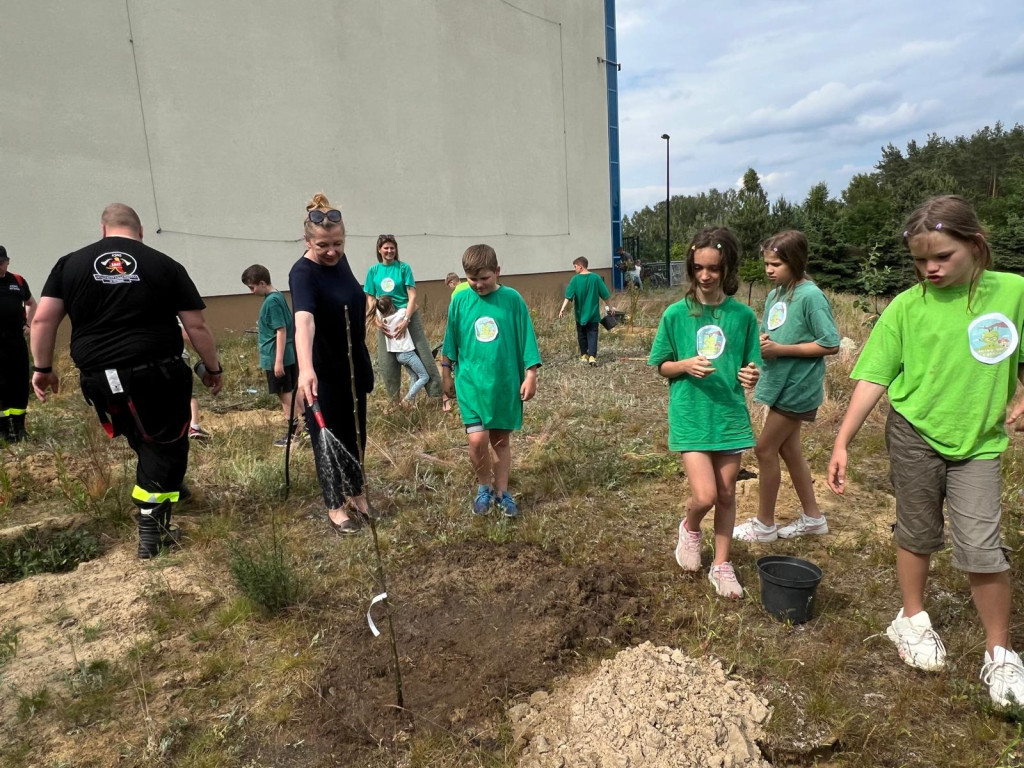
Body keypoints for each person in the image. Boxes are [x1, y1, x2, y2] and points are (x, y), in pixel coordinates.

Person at [828, 195, 1024, 707]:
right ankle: (911, 619)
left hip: (979, 441)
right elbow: (874, 376)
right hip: (914, 433)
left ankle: (1000, 653)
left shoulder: (1014, 293)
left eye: (942, 257)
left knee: (982, 544)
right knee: (917, 530)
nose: (930, 269)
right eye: (920, 260)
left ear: (975, 246)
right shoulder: (905, 307)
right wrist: (843, 439)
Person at [30, 204, 222, 559]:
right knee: (167, 443)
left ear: (103, 229)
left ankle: (166, 487)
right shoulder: (163, 264)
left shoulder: (68, 264)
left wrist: (42, 368)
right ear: (141, 231)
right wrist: (213, 367)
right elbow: (196, 325)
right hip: (156, 374)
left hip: (100, 379)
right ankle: (153, 533)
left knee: (142, 435)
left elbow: (42, 321)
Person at [648, 228, 760, 598]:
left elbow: (751, 364)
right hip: (691, 415)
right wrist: (685, 365)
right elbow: (661, 364)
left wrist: (750, 374)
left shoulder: (742, 316)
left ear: (727, 268)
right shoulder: (676, 314)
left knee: (728, 494)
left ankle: (722, 565)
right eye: (699, 268)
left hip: (729, 416)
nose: (706, 276)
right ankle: (690, 527)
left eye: (714, 268)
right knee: (706, 495)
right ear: (691, 268)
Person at [733, 231, 839, 543]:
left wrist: (780, 350)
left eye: (776, 264)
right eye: (766, 263)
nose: (769, 270)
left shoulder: (811, 296)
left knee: (765, 448)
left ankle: (764, 525)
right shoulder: (775, 295)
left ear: (795, 261)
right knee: (789, 450)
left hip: (798, 387)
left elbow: (830, 343)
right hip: (778, 383)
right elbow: (769, 333)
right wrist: (762, 342)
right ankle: (813, 518)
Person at [290, 194, 374, 535]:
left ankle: (357, 494)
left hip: (353, 365)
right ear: (308, 241)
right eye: (323, 245)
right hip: (322, 370)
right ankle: (335, 506)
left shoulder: (340, 261)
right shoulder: (303, 273)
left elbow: (351, 295)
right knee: (327, 439)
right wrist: (306, 369)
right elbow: (304, 321)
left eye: (338, 243)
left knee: (356, 434)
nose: (332, 251)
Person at [441, 244, 541, 518]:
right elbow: (451, 339)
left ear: (497, 271)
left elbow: (526, 336)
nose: (478, 284)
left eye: (484, 278)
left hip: (504, 383)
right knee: (477, 439)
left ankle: (502, 492)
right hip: (471, 382)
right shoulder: (460, 301)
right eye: (472, 279)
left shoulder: (512, 300)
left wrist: (530, 374)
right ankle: (483, 486)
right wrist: (446, 372)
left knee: (500, 440)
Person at [364, 235, 443, 402]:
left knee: (423, 352)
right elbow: (370, 298)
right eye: (386, 247)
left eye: (392, 247)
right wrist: (375, 320)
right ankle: (395, 401)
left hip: (406, 315)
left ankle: (436, 395)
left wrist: (406, 320)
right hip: (385, 318)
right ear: (379, 250)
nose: (389, 251)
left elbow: (412, 295)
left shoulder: (403, 268)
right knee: (387, 361)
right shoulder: (373, 271)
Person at [241, 264, 303, 446]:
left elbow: (281, 330)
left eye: (252, 287)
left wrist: (278, 362)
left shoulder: (272, 301)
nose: (251, 292)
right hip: (286, 355)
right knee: (291, 390)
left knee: (284, 395)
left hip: (278, 356)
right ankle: (306, 425)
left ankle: (294, 435)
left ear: (261, 283)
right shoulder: (277, 297)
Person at [0, 246, 37, 442]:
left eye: (1, 262)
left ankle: (20, 427)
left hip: (16, 342)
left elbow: (31, 303)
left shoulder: (18, 281)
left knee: (19, 383)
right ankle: (3, 430)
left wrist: (29, 324)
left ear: (7, 261)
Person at [375, 295, 430, 407]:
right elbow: (415, 306)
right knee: (424, 377)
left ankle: (412, 403)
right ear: (391, 307)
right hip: (407, 353)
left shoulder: (383, 320)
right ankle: (407, 399)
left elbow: (378, 309)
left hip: (399, 356)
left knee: (414, 376)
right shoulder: (400, 314)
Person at [558, 256, 612, 366]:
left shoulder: (575, 279)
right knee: (593, 334)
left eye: (575, 267)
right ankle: (592, 356)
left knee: (581, 334)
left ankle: (584, 355)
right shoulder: (596, 278)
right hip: (593, 314)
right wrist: (610, 307)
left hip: (580, 314)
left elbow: (568, 296)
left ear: (581, 267)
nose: (575, 269)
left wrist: (562, 308)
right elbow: (605, 295)